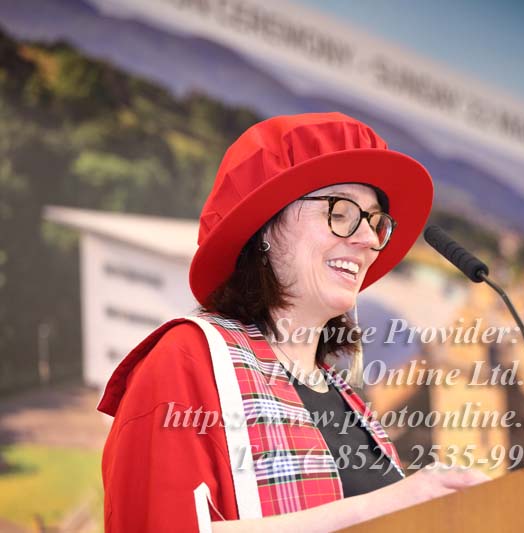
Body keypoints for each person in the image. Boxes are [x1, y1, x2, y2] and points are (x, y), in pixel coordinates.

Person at [98, 112, 489, 532]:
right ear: (265, 228)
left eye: (377, 222)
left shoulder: (350, 402)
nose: (369, 239)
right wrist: (385, 504)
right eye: (341, 212)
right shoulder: (187, 358)